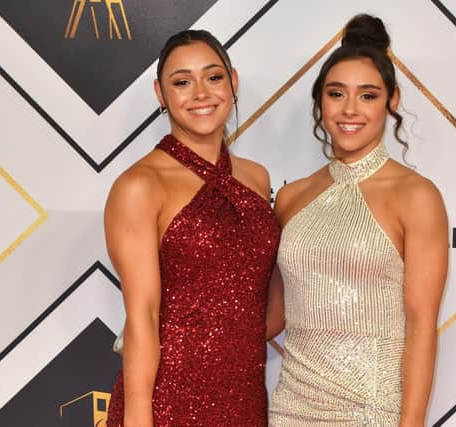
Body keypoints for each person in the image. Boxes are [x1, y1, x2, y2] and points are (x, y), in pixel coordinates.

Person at [267, 14, 449, 427]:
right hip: (290, 410)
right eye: (336, 94)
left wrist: (412, 423)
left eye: (368, 95)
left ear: (392, 100)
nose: (350, 110)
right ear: (320, 102)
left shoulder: (417, 196)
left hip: (371, 413)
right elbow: (272, 316)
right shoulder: (292, 196)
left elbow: (422, 327)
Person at [104, 29, 280, 427]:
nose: (201, 93)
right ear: (160, 95)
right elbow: (143, 317)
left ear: (232, 83)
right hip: (168, 400)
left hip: (245, 396)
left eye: (213, 77)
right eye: (182, 82)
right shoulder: (140, 186)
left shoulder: (257, 178)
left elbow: (261, 300)